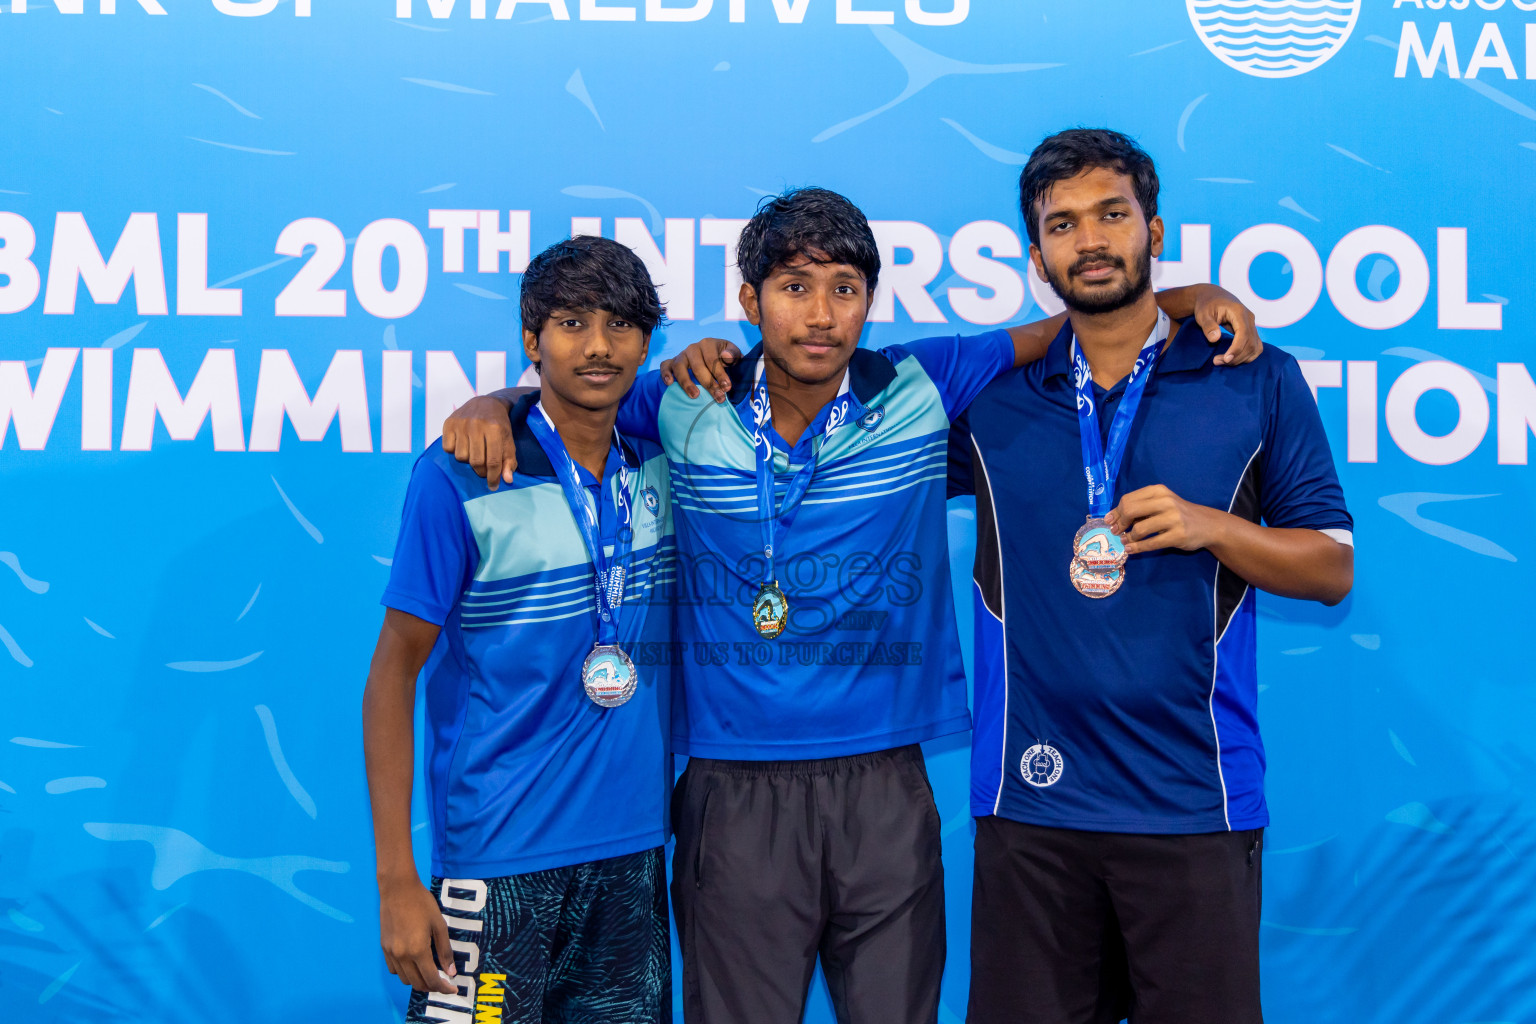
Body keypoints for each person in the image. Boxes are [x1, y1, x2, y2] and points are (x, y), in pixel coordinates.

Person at [440, 187, 1261, 1024]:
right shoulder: (686, 398)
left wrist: (1187, 300)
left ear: (871, 301)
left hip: (885, 787)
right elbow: (578, 395)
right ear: (749, 300)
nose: (821, 315)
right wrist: (489, 406)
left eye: (845, 288)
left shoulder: (921, 382)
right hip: (733, 790)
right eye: (794, 287)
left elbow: (1073, 327)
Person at [951, 129, 1355, 1023]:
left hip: (1194, 808)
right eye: (1063, 225)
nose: (1090, 241)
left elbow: (1332, 567)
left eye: (1112, 215)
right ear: (1036, 253)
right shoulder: (989, 397)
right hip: (1031, 809)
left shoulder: (1252, 377)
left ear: (1155, 228)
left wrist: (1215, 528)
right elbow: (828, 397)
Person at [361, 236, 677, 1024]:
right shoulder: (459, 475)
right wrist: (397, 878)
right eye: (571, 323)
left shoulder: (668, 459)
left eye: (619, 326)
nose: (598, 346)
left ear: (646, 341)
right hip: (496, 865)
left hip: (633, 856)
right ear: (532, 341)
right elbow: (392, 676)